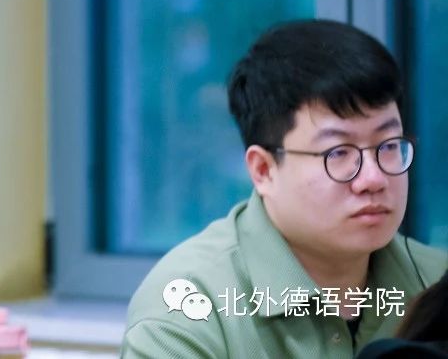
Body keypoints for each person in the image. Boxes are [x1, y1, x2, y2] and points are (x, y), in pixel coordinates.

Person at [123, 19, 448, 358]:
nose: (373, 179)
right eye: (338, 153)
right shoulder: (186, 310)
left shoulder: (436, 282)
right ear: (263, 170)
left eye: (389, 145)